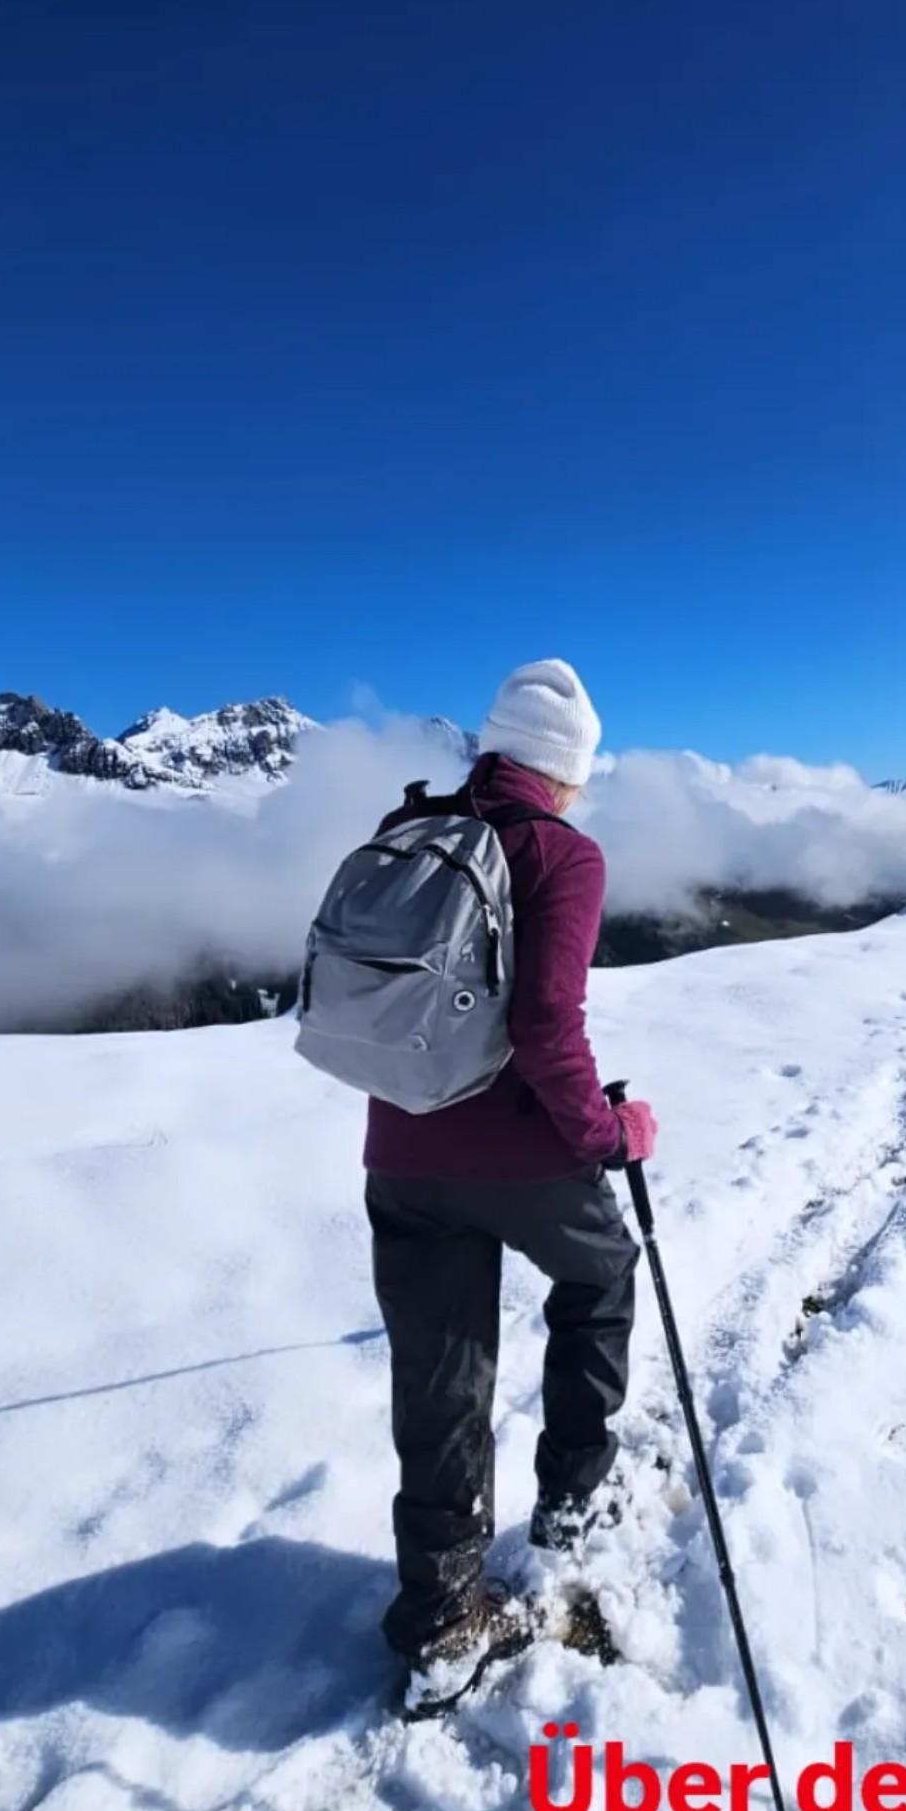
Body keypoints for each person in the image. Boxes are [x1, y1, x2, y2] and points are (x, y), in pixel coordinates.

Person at [363, 657, 659, 1669]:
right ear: (565, 768)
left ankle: (442, 1617)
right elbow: (544, 1025)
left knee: (439, 1378)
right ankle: (572, 1498)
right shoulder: (560, 853)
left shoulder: (408, 829)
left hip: (401, 1147)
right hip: (520, 1156)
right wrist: (607, 1134)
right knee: (602, 1274)